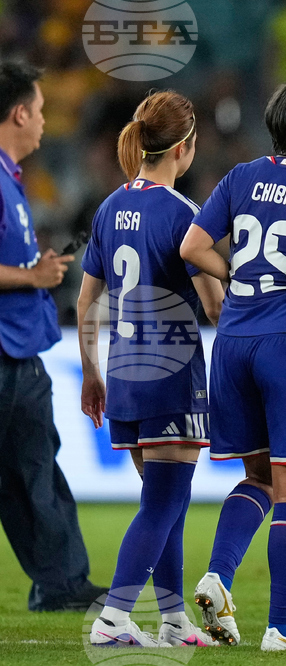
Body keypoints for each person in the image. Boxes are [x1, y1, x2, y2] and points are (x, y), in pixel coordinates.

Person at [180, 79, 286, 651]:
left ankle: (218, 576)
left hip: (233, 342)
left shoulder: (242, 175)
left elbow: (192, 248)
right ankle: (281, 628)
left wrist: (238, 277)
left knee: (259, 478)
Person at [81, 91, 224, 648]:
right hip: (172, 376)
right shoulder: (184, 216)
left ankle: (171, 620)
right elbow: (213, 306)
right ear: (184, 149)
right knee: (165, 500)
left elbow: (86, 303)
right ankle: (114, 617)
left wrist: (91, 372)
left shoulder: (109, 206)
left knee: (167, 500)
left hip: (122, 374)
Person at [0, 60, 107, 613]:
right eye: (39, 111)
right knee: (34, 472)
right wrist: (33, 277)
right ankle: (61, 582)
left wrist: (33, 266)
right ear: (19, 113)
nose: (43, 122)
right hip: (6, 355)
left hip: (19, 353)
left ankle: (61, 584)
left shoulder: (9, 181)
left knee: (34, 471)